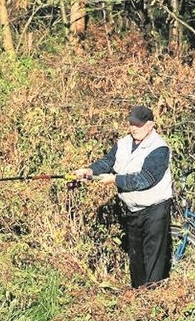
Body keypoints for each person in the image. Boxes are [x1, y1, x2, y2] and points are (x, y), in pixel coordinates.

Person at [74, 105, 173, 288]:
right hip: (132, 210)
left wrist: (115, 180)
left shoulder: (159, 148)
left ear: (150, 124)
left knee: (153, 259)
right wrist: (89, 170)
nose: (134, 128)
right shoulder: (124, 143)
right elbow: (108, 162)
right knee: (136, 259)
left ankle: (153, 301)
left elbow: (146, 179)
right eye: (131, 123)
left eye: (139, 124)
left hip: (155, 209)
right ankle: (138, 298)